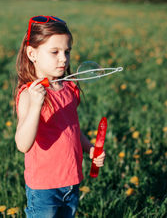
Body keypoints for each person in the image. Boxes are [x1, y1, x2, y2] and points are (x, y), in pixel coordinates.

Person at [14, 15, 106, 218]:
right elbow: (22, 144)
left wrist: (89, 148)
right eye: (54, 52)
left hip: (71, 181)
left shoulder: (69, 88)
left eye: (67, 51)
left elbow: (71, 129)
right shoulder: (30, 93)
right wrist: (37, 105)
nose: (63, 58)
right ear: (32, 53)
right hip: (44, 187)